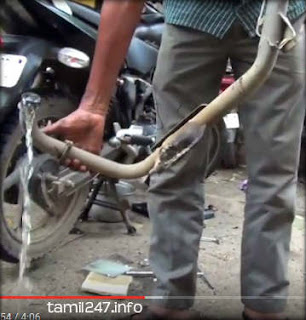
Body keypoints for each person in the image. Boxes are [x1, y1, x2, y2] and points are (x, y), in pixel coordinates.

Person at [44, 0, 306, 319]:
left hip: (279, 20)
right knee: (174, 167)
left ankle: (264, 306)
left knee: (274, 176)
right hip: (192, 19)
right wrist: (94, 106)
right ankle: (170, 304)